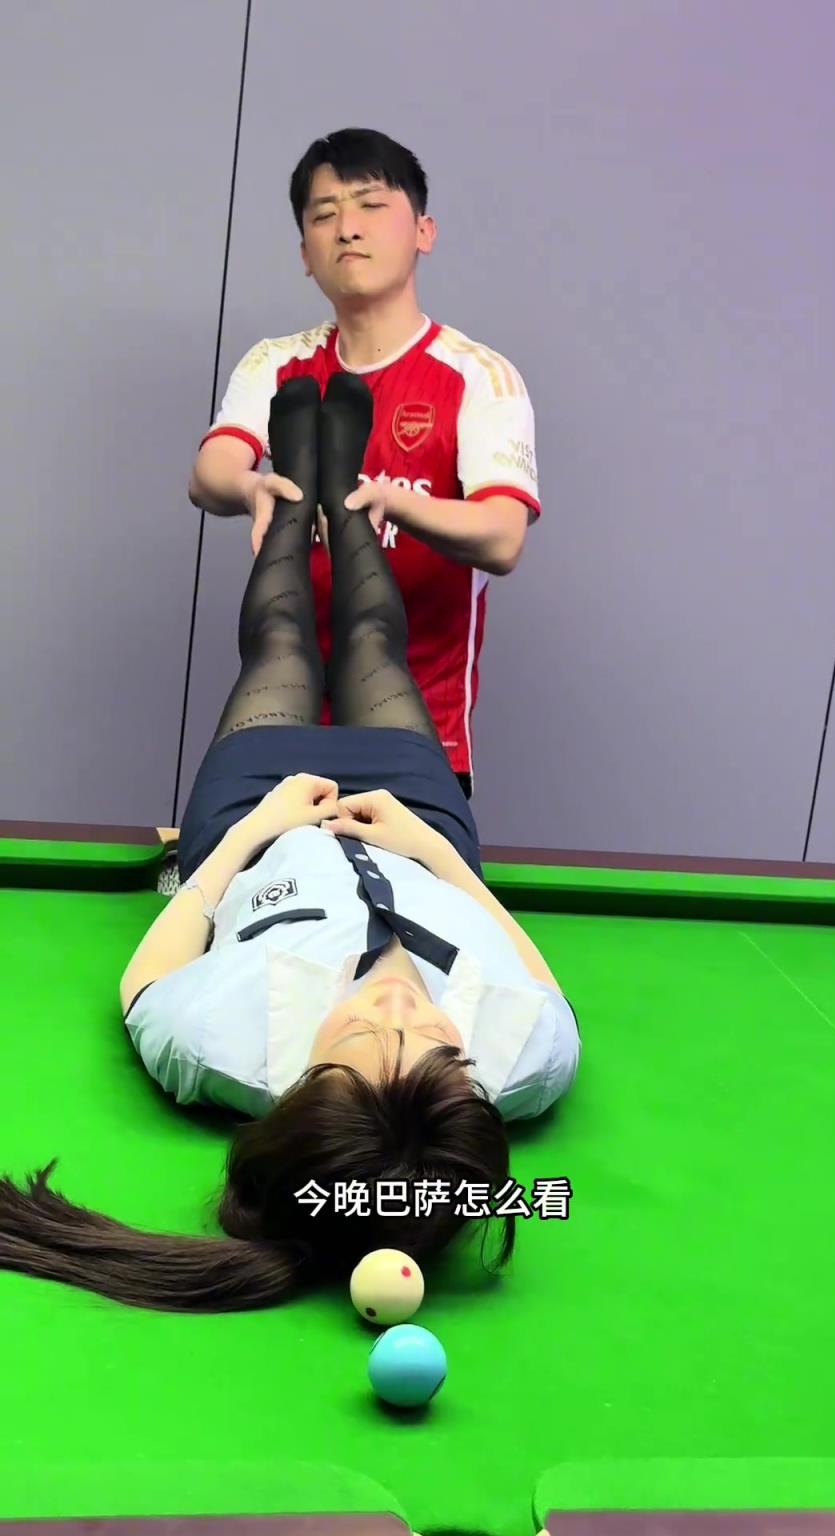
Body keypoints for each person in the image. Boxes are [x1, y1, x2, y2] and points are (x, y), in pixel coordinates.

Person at [0, 373, 579, 1314]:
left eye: (362, 1039)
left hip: (257, 821)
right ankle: (344, 485)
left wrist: (252, 831)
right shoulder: (521, 1066)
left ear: (306, 1086)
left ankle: (297, 490)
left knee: (279, 640)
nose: (399, 1005)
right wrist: (436, 854)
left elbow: (144, 981)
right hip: (418, 825)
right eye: (435, 1046)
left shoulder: (221, 1048)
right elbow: (539, 987)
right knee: (374, 644)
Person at [189, 126, 542, 799]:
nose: (348, 228)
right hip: (280, 722)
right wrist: (251, 488)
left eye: (371, 206)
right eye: (324, 214)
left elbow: (502, 537)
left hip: (419, 731)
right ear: (305, 253)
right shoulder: (277, 363)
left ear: (424, 232)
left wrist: (391, 501)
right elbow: (209, 474)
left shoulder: (478, 376)